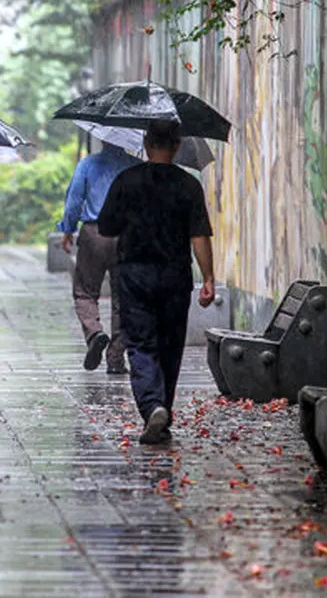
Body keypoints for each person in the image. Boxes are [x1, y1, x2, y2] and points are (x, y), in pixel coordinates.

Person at [97, 120, 216, 445]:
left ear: (146, 144)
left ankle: (153, 406)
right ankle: (161, 409)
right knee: (170, 345)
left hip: (134, 275)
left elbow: (106, 227)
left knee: (140, 344)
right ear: (176, 147)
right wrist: (207, 277)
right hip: (175, 276)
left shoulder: (127, 180)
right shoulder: (188, 185)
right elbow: (199, 235)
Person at [58, 141, 142, 374]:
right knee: (124, 297)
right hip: (127, 235)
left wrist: (67, 228)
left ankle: (95, 332)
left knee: (85, 291)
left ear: (103, 138)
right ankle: (116, 359)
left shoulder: (88, 164)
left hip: (94, 233)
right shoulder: (136, 166)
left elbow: (74, 200)